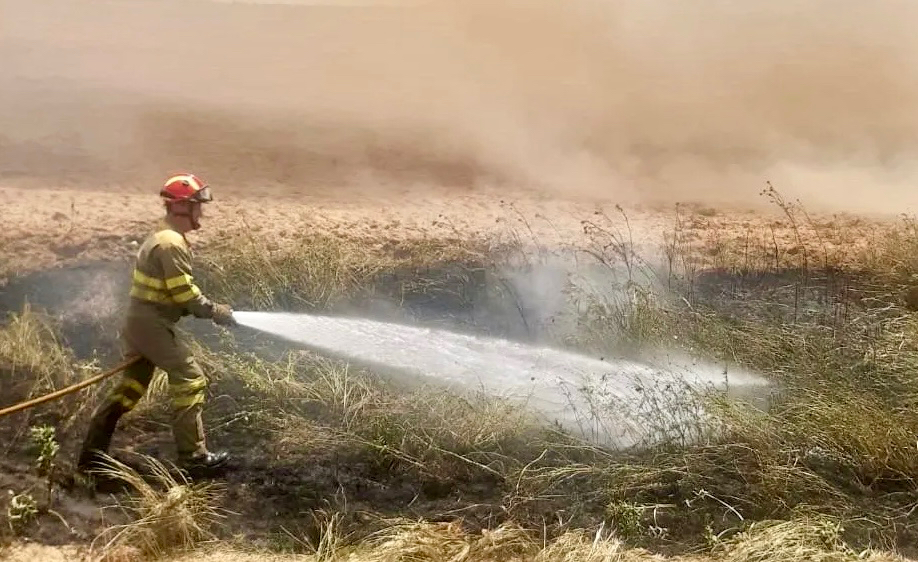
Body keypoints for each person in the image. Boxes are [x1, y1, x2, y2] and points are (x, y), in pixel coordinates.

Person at [77, 173, 237, 476]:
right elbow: (185, 294)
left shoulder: (165, 238)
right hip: (150, 323)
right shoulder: (170, 243)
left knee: (130, 388)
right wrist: (216, 311)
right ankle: (193, 457)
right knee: (191, 378)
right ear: (182, 207)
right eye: (197, 206)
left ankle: (91, 457)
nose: (201, 212)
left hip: (142, 321)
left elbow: (174, 294)